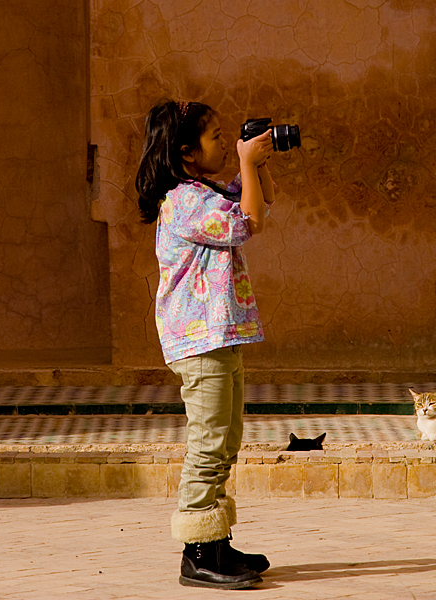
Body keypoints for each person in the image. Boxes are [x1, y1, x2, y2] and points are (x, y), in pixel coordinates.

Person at [135, 99, 276, 590]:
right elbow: (250, 222)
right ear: (187, 153)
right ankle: (197, 553)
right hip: (199, 341)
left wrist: (253, 164)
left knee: (226, 440)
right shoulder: (187, 201)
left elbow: (260, 199)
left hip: (219, 335)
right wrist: (245, 164)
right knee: (209, 444)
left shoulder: (204, 190)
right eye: (216, 137)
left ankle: (217, 542)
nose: (224, 143)